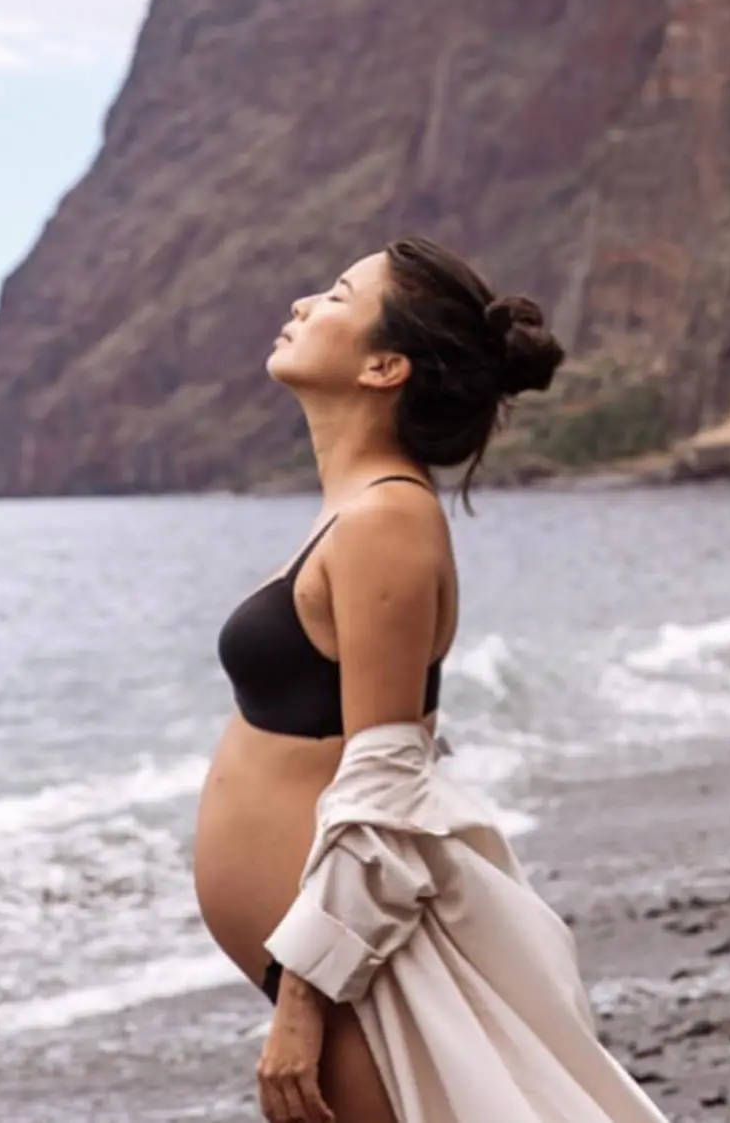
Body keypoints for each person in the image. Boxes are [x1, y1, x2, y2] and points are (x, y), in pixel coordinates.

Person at [195, 235, 663, 1123]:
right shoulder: (358, 511)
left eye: (336, 294)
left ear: (384, 364)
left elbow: (384, 775)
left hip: (351, 964)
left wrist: (304, 997)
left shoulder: (388, 520)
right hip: (336, 953)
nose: (301, 304)